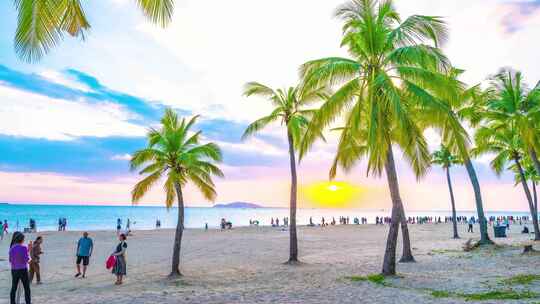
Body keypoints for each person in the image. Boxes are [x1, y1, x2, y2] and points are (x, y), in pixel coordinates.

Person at [9, 232, 31, 304]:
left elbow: (10, 260)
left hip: (14, 270)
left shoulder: (11, 248)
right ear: (21, 239)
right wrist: (28, 253)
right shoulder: (23, 248)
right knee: (26, 288)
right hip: (23, 270)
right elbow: (26, 260)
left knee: (14, 288)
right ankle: (28, 302)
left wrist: (28, 250)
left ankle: (12, 302)